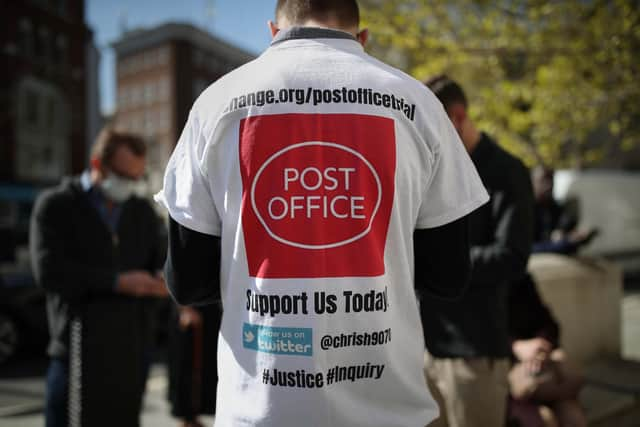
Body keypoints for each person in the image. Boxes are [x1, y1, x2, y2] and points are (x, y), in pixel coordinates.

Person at [155, 1, 489, 425]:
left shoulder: (215, 105)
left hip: (261, 409)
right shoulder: (419, 104)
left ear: (273, 31)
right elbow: (448, 275)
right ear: (362, 38)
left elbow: (186, 282)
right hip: (389, 408)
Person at [30, 128, 168, 427]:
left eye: (138, 177)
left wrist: (162, 281)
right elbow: (49, 272)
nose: (132, 185)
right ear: (97, 165)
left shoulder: (141, 211)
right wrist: (118, 282)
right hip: (76, 348)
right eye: (125, 176)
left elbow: (159, 260)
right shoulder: (56, 206)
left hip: (130, 349)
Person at [421, 75, 534, 427]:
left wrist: (437, 263)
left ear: (457, 117)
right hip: (422, 351)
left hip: (475, 353)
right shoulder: (431, 168)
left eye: (430, 125)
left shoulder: (507, 171)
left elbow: (512, 258)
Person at [507, 274, 586, 427]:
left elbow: (548, 323)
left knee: (572, 415)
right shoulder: (478, 281)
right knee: (544, 419)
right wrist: (516, 347)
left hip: (541, 370)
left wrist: (539, 349)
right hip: (505, 376)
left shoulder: (520, 279)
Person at [167, 302, 222, 427]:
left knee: (206, 367)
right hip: (189, 310)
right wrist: (184, 308)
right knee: (187, 367)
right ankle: (188, 416)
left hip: (209, 311)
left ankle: (194, 416)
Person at [530, 166, 597, 255]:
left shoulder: (556, 210)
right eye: (543, 180)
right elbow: (527, 248)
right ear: (532, 182)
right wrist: (563, 244)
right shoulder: (524, 210)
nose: (549, 185)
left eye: (551, 180)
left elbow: (562, 233)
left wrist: (576, 237)